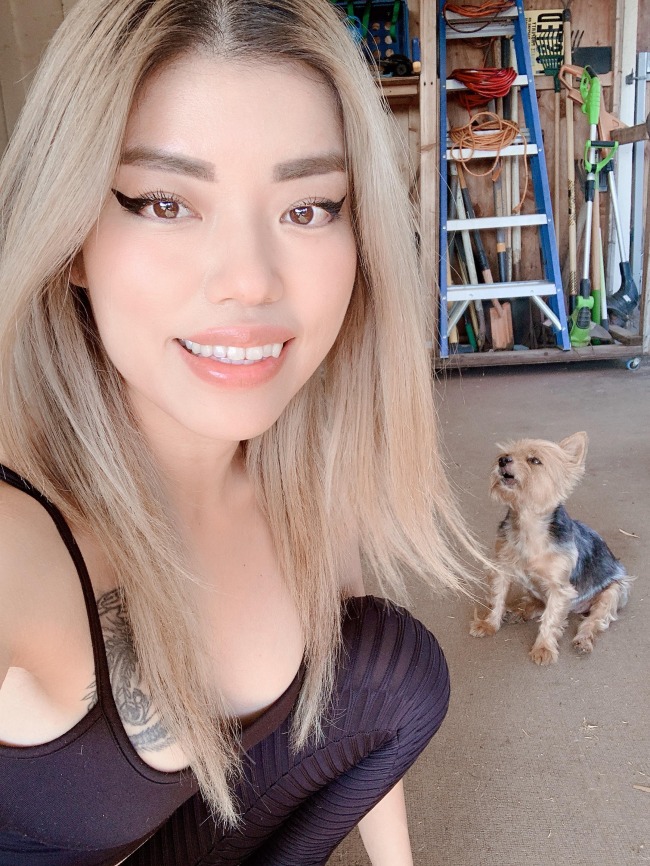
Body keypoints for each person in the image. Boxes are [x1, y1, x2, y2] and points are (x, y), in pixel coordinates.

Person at [0, 1, 481, 863]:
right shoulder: (18, 537)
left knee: (392, 670)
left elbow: (362, 694)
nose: (251, 281)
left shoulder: (304, 479)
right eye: (165, 203)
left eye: (310, 208)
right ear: (71, 238)